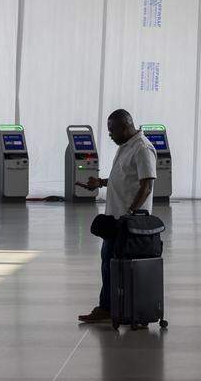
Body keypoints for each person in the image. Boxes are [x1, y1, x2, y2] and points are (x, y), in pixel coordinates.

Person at [77, 109, 157, 324]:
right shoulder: (125, 147)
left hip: (127, 221)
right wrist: (100, 183)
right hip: (115, 219)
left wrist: (130, 214)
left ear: (125, 127)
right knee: (109, 263)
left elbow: (147, 185)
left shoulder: (142, 148)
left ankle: (110, 308)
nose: (110, 135)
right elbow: (124, 178)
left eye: (112, 130)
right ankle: (110, 307)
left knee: (115, 263)